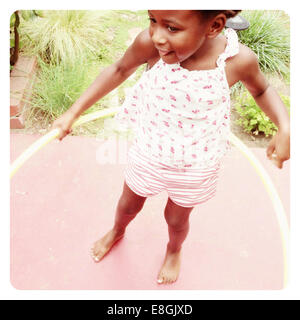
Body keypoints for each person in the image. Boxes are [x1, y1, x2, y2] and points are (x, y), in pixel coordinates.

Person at [51, 10, 290, 284]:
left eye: (172, 28)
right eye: (152, 20)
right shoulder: (150, 46)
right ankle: (117, 230)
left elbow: (261, 90)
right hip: (150, 150)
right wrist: (74, 111)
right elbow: (119, 69)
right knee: (128, 204)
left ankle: (174, 249)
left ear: (214, 26)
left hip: (196, 161)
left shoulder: (236, 61)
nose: (158, 36)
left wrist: (285, 125)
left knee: (176, 219)